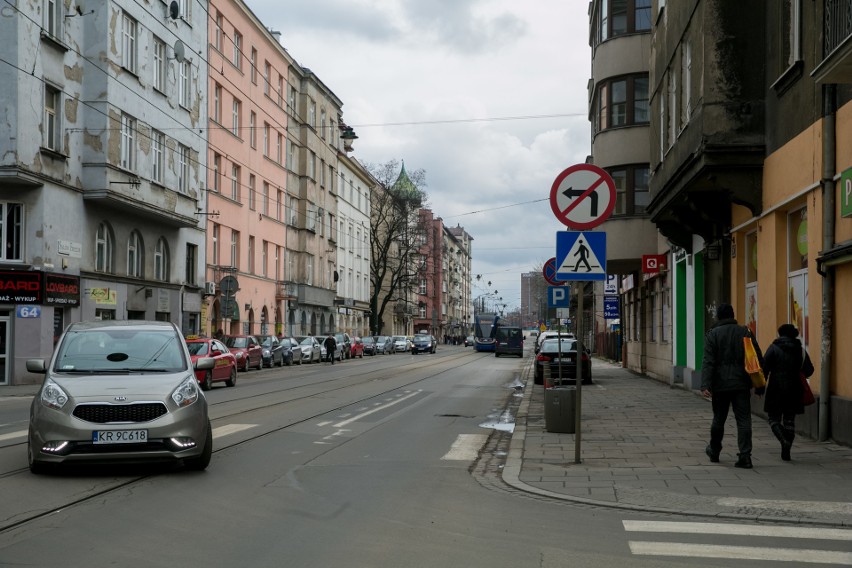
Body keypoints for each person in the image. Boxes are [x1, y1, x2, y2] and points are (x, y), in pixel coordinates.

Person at [700, 303, 764, 469]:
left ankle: (714, 451)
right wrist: (759, 385)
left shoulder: (712, 334)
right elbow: (757, 358)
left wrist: (705, 384)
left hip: (720, 385)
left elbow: (708, 362)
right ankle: (745, 456)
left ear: (718, 317)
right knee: (743, 420)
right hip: (741, 384)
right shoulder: (745, 332)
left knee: (719, 419)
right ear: (732, 315)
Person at [762, 324, 814, 461]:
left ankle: (783, 439)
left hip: (776, 387)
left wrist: (760, 386)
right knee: (789, 419)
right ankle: (787, 447)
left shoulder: (773, 348)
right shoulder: (801, 350)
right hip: (795, 388)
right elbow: (809, 370)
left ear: (780, 334)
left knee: (773, 418)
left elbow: (764, 368)